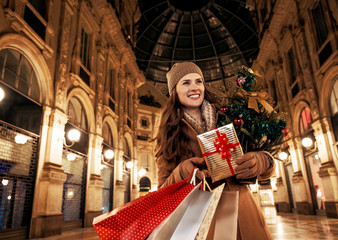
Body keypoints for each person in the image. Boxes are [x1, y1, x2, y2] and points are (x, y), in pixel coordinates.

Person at [155, 62, 275, 240]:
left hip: (244, 214)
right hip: (202, 223)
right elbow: (161, 194)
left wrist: (262, 161)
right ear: (174, 91)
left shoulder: (230, 115)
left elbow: (267, 164)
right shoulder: (169, 133)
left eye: (199, 81)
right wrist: (181, 172)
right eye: (186, 82)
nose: (195, 87)